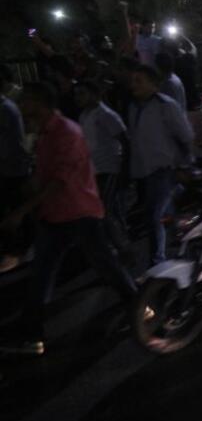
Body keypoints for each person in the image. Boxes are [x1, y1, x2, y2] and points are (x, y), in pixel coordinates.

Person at [0, 82, 137, 356]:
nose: (21, 105)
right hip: (56, 214)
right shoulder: (45, 132)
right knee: (43, 274)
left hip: (79, 212)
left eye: (26, 100)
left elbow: (60, 182)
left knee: (105, 265)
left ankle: (140, 304)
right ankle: (32, 334)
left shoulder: (66, 132)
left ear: (40, 103)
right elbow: (45, 175)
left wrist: (22, 210)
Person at [128, 64, 194, 265]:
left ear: (153, 84)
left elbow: (186, 136)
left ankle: (157, 261)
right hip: (146, 171)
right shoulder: (133, 107)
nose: (134, 85)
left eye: (139, 81)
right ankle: (188, 243)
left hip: (166, 170)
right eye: (133, 80)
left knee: (154, 216)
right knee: (167, 213)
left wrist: (184, 165)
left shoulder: (166, 106)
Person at [74, 80, 129, 255]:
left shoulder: (106, 114)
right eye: (77, 94)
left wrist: (124, 167)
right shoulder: (84, 115)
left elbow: (124, 139)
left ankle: (121, 246)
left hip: (108, 166)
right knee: (110, 208)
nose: (78, 98)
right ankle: (120, 240)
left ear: (94, 94)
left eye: (82, 94)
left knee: (103, 208)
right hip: (94, 168)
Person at [0, 65, 31, 272]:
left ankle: (18, 249)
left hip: (12, 167)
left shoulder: (6, 108)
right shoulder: (7, 107)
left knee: (16, 206)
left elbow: (10, 144)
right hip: (11, 166)